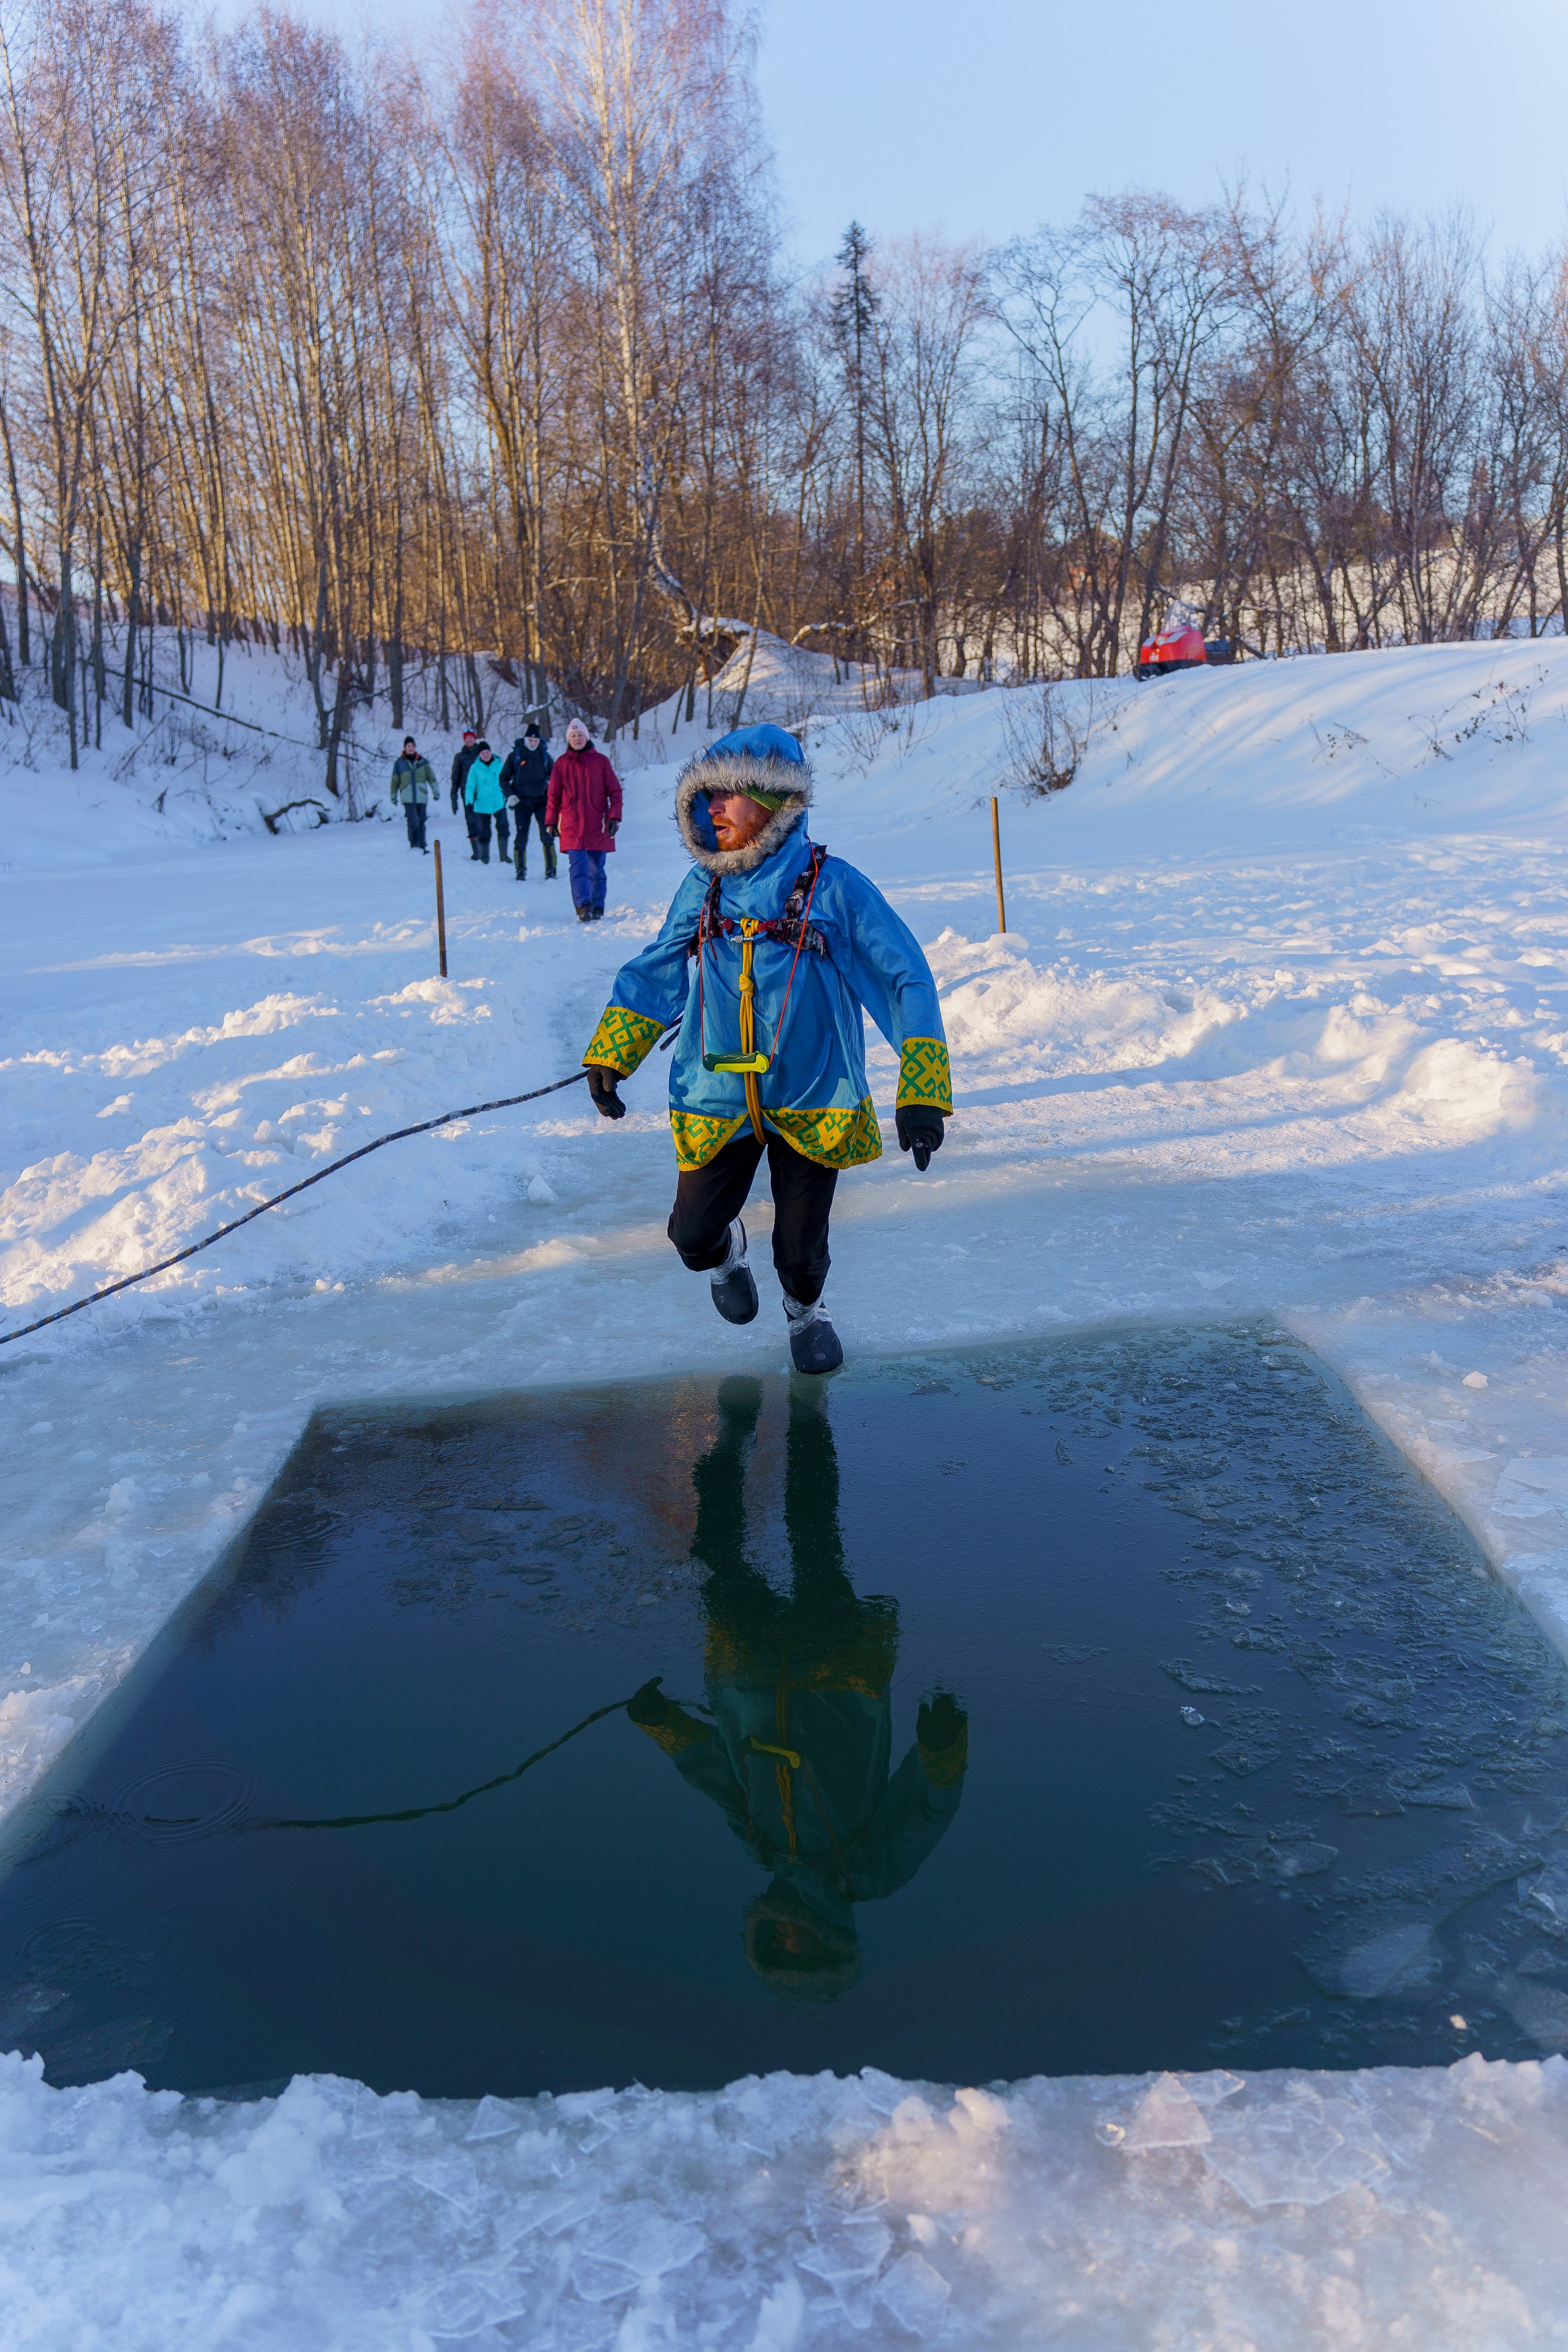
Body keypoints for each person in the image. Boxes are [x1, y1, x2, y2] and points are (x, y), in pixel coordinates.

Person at [579, 722, 951, 1373]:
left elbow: (906, 977)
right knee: (691, 1236)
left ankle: (806, 1310)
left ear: (776, 802)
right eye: (707, 796)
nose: (714, 808)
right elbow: (657, 965)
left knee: (800, 1253)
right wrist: (612, 1052)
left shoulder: (834, 886)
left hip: (813, 1094)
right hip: (716, 1096)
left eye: (730, 794)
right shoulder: (705, 887)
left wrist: (921, 1092)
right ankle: (727, 1253)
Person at [626, 1379, 967, 2001]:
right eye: (798, 1950)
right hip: (836, 1677)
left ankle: (733, 1433)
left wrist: (662, 1725)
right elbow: (925, 1814)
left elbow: (715, 1775)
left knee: (718, 1557)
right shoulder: (865, 1875)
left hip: (747, 1674)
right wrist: (940, 1752)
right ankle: (808, 1411)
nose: (786, 1935)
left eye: (773, 1943)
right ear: (830, 1945)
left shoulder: (761, 1848)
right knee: (813, 1534)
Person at [546, 719, 622, 921]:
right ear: (568, 739)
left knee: (596, 869)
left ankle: (597, 907)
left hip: (598, 824)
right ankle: (583, 906)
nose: (577, 739)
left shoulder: (601, 762)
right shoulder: (562, 764)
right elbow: (553, 795)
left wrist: (615, 817)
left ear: (587, 737)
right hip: (571, 825)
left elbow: (615, 792)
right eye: (573, 736)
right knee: (578, 867)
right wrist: (551, 821)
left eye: (580, 735)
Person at [500, 721, 556, 882]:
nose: (533, 743)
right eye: (530, 740)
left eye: (535, 741)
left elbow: (556, 778)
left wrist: (554, 797)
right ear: (526, 740)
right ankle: (520, 870)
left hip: (541, 801)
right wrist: (510, 795)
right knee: (521, 836)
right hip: (521, 802)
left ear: (539, 741)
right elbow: (503, 778)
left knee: (547, 835)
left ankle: (551, 870)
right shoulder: (516, 755)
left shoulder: (544, 756)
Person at [462, 739, 508, 866]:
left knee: (503, 828)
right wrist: (469, 800)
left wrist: (508, 795)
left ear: (491, 752)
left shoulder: (499, 765)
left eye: (487, 752)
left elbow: (506, 780)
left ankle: (504, 856)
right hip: (482, 805)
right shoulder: (475, 768)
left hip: (499, 803)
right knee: (484, 831)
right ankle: (485, 856)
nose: (486, 755)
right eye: (483, 753)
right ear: (479, 755)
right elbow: (470, 785)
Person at [389, 737, 437, 852]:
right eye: (408, 746)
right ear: (405, 748)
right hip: (408, 798)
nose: (410, 748)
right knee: (413, 821)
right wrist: (393, 796)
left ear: (415, 747)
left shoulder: (423, 762)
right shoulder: (399, 763)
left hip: (422, 797)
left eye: (412, 746)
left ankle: (423, 846)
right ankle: (415, 846)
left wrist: (436, 792)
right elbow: (395, 781)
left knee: (422, 821)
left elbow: (432, 778)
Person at [450, 727, 480, 856]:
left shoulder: (482, 753)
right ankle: (477, 851)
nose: (469, 740)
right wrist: (454, 797)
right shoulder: (460, 757)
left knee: (482, 821)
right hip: (467, 794)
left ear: (475, 739)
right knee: (471, 820)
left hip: (482, 793)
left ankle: (484, 850)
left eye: (471, 737)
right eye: (467, 738)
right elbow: (455, 777)